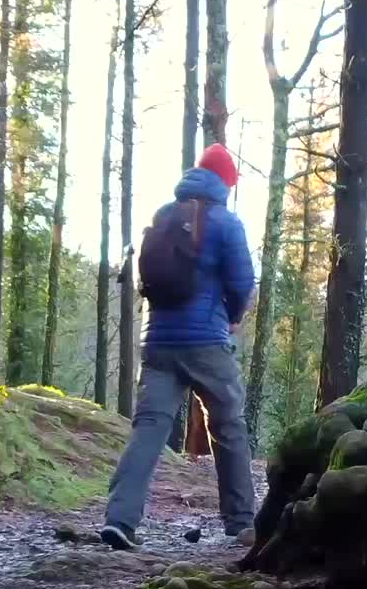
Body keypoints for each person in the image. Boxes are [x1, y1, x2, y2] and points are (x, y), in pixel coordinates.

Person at [100, 144, 256, 551]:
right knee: (229, 426)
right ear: (224, 183)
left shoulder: (163, 216)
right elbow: (242, 282)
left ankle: (120, 520)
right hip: (206, 342)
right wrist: (232, 316)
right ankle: (241, 523)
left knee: (149, 429)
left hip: (157, 342)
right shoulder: (226, 223)